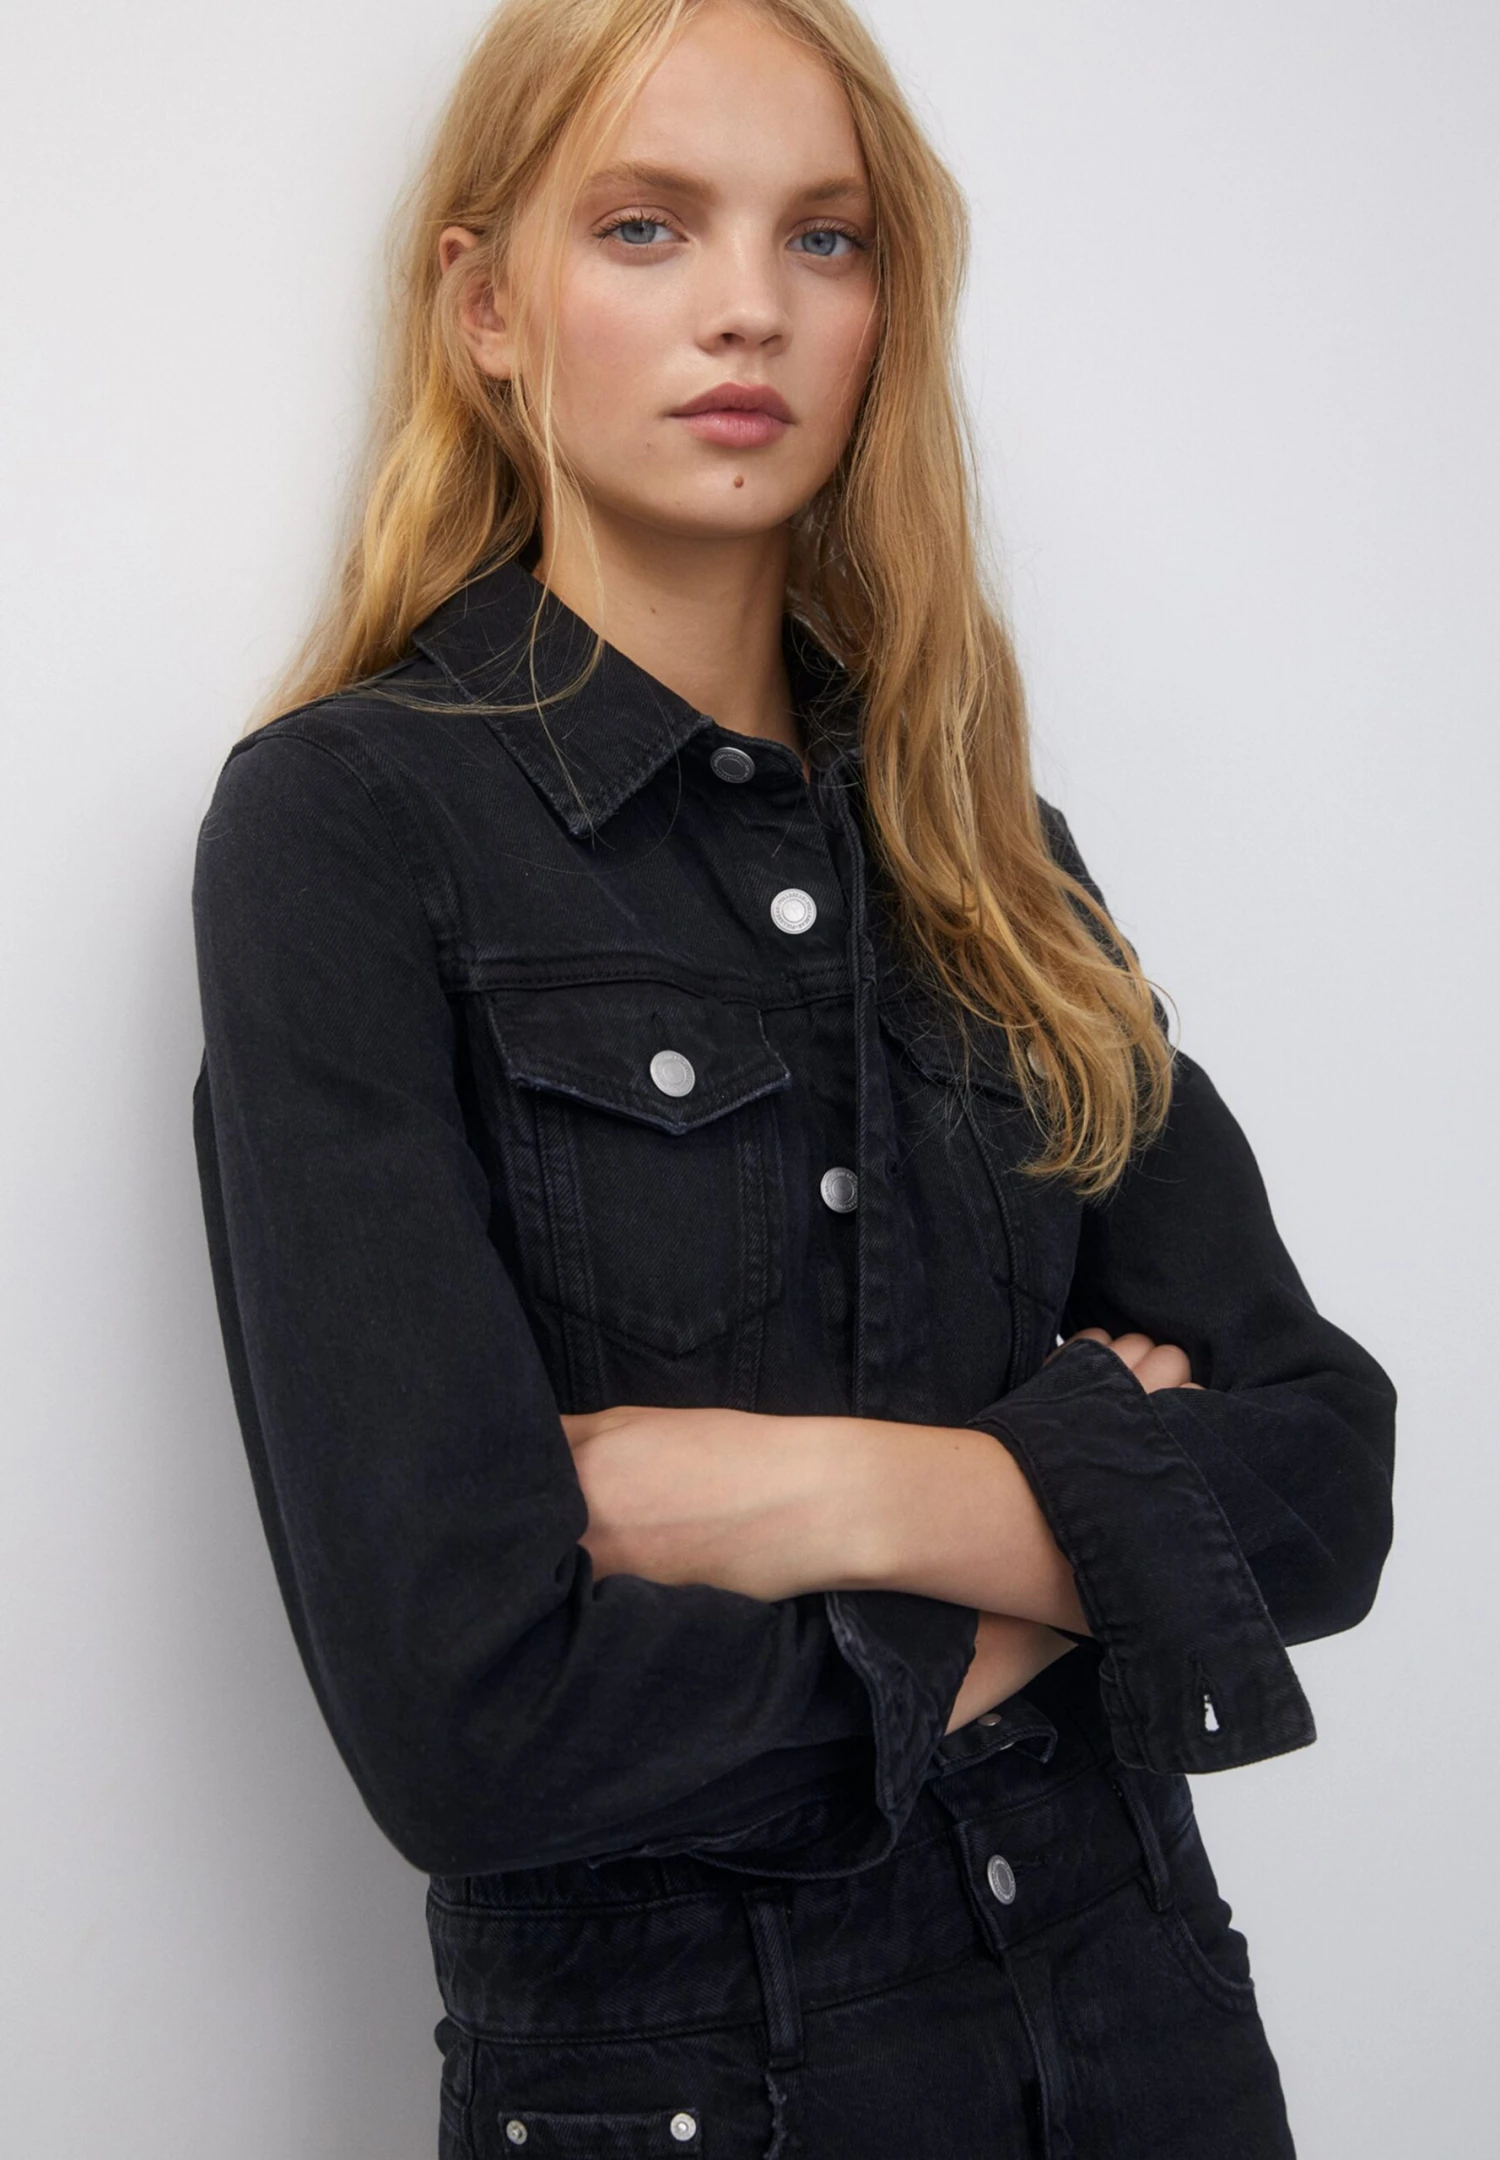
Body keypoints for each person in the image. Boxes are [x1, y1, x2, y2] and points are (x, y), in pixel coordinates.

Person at [188, 1, 1397, 2153]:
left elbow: (1324, 1479)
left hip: (1156, 2060)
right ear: (484, 307)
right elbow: (476, 1728)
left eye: (823, 239)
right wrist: (1089, 1545)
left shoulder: (987, 850)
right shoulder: (348, 833)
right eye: (646, 226)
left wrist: (822, 1500)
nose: (749, 305)